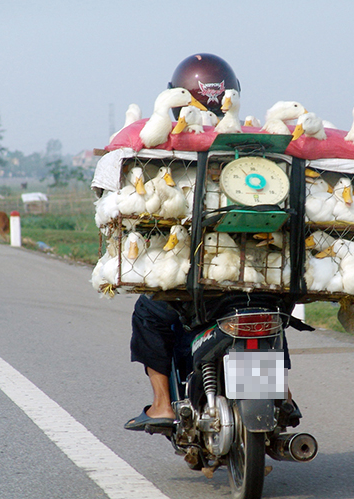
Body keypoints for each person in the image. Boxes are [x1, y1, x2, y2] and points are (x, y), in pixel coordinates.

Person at [124, 54, 297, 432]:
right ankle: (280, 393)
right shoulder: (260, 146)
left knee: (148, 313)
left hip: (194, 287)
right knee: (267, 310)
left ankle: (163, 404)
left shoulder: (169, 148)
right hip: (257, 277)